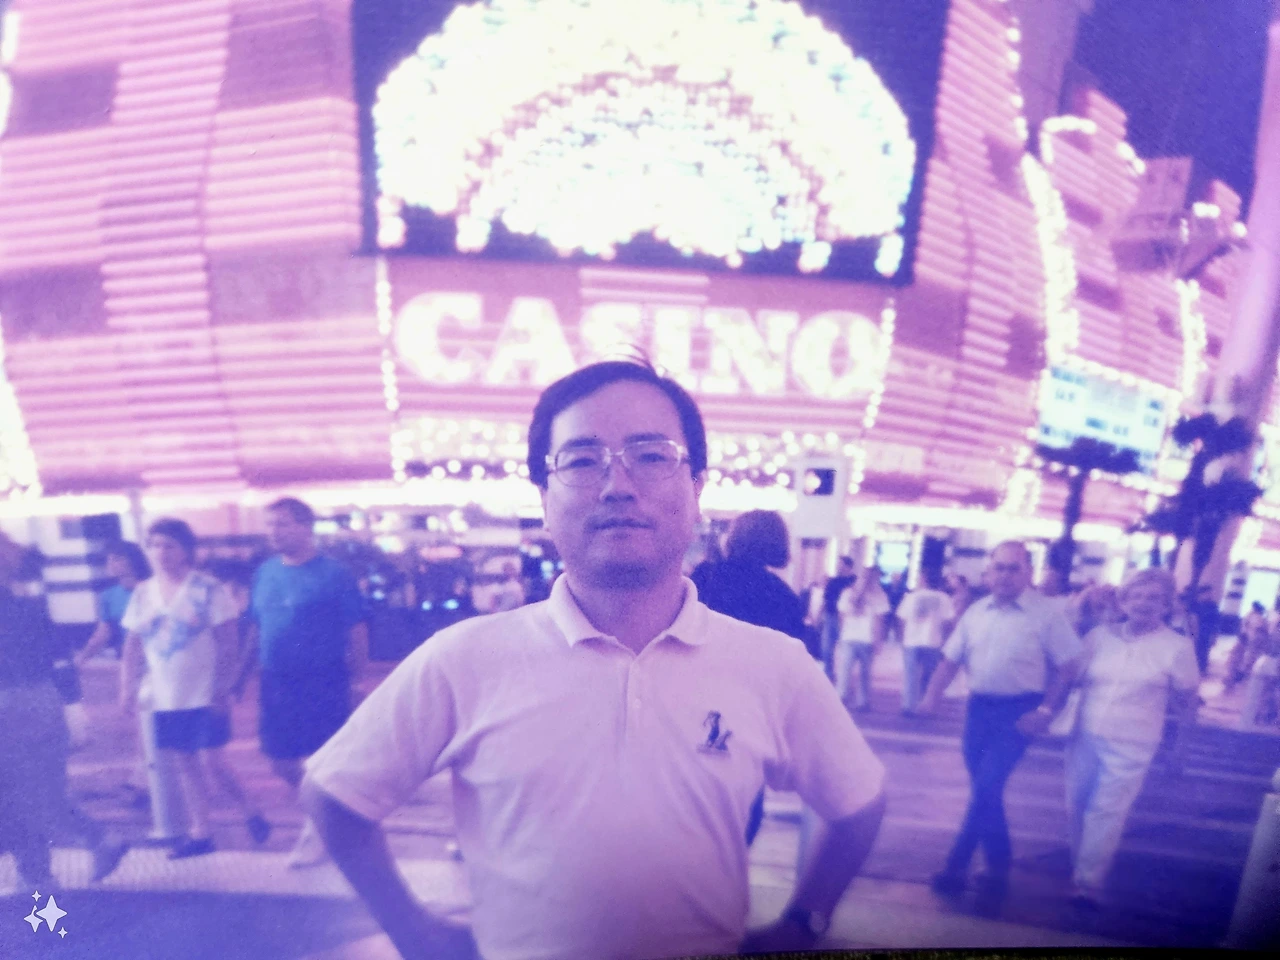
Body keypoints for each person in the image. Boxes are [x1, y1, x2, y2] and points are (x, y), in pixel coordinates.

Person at [301, 360, 887, 960]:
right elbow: (335, 794)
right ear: (544, 499)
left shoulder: (773, 665)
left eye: (651, 456)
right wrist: (412, 931)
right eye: (582, 461)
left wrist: (805, 924)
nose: (617, 485)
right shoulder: (463, 660)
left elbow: (859, 802)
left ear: (697, 490)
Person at [918, 541, 1082, 906]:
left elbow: (1069, 667)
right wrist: (931, 696)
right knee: (985, 791)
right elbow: (950, 660)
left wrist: (1045, 711)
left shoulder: (1047, 615)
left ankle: (959, 868)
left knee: (988, 785)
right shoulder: (976, 612)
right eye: (999, 568)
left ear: (1028, 573)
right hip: (978, 710)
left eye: (1014, 568)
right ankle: (994, 867)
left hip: (1018, 713)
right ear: (988, 573)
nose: (1005, 576)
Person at [120, 518, 270, 859]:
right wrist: (127, 686)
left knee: (212, 760)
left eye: (169, 546)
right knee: (185, 762)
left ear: (186, 550)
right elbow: (132, 645)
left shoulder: (208, 589)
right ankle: (201, 831)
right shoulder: (143, 593)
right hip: (165, 694)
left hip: (204, 692)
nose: (161, 553)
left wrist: (223, 687)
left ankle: (249, 809)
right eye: (155, 546)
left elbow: (228, 643)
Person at [234, 497, 369, 867]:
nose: (274, 532)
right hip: (276, 680)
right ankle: (324, 816)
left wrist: (358, 681)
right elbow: (256, 627)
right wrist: (240, 675)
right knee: (280, 759)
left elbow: (356, 629)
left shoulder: (334, 574)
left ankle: (320, 828)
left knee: (324, 759)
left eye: (282, 524)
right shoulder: (265, 573)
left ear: (305, 527)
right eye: (270, 524)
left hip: (323, 679)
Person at [1063, 569, 1200, 908]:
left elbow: (1187, 702)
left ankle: (1087, 884)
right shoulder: (1099, 637)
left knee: (1107, 810)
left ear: (1166, 605)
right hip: (1084, 734)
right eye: (1136, 596)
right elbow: (1071, 676)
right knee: (1076, 803)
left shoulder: (1177, 647)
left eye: (1154, 598)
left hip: (1133, 744)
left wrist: (1181, 748)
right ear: (1123, 601)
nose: (1144, 603)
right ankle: (1081, 866)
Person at [0, 533, 129, 887]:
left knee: (17, 794)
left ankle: (39, 873)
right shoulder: (31, 607)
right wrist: (73, 708)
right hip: (44, 700)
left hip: (9, 706)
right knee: (42, 789)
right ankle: (94, 841)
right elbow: (60, 660)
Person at [694, 509, 809, 845]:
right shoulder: (784, 597)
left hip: (693, 695)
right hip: (751, 710)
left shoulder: (706, 577)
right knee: (745, 799)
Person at [77, 541, 152, 664]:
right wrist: (82, 658)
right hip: (130, 656)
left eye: (116, 559)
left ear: (133, 561)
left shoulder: (152, 589)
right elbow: (103, 633)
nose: (110, 564)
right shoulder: (108, 595)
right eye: (108, 559)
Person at [897, 569, 956, 715]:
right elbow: (949, 621)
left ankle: (908, 706)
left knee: (910, 675)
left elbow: (901, 618)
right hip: (933, 641)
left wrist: (902, 637)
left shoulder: (911, 597)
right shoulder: (944, 598)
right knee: (928, 676)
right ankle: (924, 704)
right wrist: (945, 638)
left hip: (911, 641)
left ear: (923, 580)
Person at [834, 568, 890, 711]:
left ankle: (841, 696)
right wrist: (878, 641)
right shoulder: (879, 596)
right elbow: (879, 621)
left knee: (844, 671)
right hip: (867, 638)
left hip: (849, 636)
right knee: (865, 673)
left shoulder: (847, 593)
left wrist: (842, 633)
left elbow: (841, 616)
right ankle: (862, 701)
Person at [820, 556, 857, 679]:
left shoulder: (854, 581)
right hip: (830, 615)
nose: (838, 566)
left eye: (841, 564)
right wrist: (820, 614)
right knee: (826, 647)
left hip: (846, 618)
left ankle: (843, 673)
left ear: (848, 566)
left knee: (844, 648)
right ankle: (828, 672)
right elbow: (825, 599)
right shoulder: (833, 581)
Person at [1225, 601, 1269, 691]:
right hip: (1251, 640)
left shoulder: (1250, 616)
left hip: (1248, 639)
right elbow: (1259, 629)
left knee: (1242, 659)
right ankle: (1237, 677)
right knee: (1245, 659)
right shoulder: (1258, 617)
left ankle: (1235, 678)